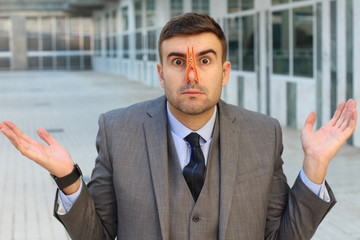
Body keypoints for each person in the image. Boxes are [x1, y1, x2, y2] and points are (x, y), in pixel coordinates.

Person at [0, 13, 358, 240]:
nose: (192, 74)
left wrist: (314, 170)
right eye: (177, 61)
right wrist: (68, 179)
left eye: (205, 60)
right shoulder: (117, 130)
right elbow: (98, 236)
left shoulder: (263, 134)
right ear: (160, 74)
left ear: (225, 72)